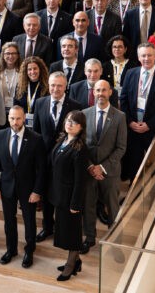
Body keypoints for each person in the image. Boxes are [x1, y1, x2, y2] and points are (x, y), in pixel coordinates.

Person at [0, 105, 47, 268]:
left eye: (18, 118)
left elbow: (42, 169)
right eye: (12, 118)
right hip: (6, 186)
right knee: (9, 220)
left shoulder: (36, 138)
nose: (15, 122)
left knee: (29, 221)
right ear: (8, 118)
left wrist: (37, 191)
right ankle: (11, 250)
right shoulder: (0, 135)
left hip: (28, 189)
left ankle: (29, 251)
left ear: (24, 119)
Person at [33, 71, 84, 242]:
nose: (55, 89)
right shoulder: (40, 103)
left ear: (66, 87)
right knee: (47, 195)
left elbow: (78, 133)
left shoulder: (75, 105)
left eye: (59, 86)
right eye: (53, 85)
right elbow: (36, 132)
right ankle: (47, 227)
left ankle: (61, 230)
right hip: (45, 159)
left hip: (66, 160)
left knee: (62, 195)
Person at [82, 78, 127, 252]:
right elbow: (80, 145)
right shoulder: (84, 114)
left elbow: (121, 147)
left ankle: (115, 245)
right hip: (89, 171)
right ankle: (89, 239)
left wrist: (102, 167)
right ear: (94, 92)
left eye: (104, 90)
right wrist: (90, 166)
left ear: (110, 92)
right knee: (88, 206)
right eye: (98, 90)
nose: (101, 93)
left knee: (113, 209)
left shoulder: (120, 116)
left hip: (110, 172)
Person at [119, 44, 155, 181]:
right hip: (133, 127)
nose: (146, 58)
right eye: (143, 55)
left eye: (149, 55)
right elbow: (123, 100)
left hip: (152, 129)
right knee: (133, 163)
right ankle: (133, 189)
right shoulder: (130, 73)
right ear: (138, 57)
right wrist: (130, 122)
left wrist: (149, 125)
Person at [50, 110, 90, 281]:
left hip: (71, 199)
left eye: (74, 122)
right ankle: (77, 261)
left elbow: (80, 180)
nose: (69, 124)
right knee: (65, 231)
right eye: (68, 120)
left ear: (81, 127)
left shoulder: (81, 149)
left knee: (73, 234)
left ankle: (70, 265)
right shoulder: (62, 140)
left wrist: (75, 203)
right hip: (59, 195)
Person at [13, 56, 49, 128]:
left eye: (35, 68)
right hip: (23, 124)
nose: (32, 72)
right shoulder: (20, 86)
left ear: (40, 69)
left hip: (41, 124)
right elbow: (16, 105)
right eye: (29, 69)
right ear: (25, 71)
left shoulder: (47, 86)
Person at [0, 42, 22, 126]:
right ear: (3, 55)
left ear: (18, 55)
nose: (10, 56)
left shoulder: (22, 72)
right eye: (8, 53)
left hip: (17, 115)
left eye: (13, 53)